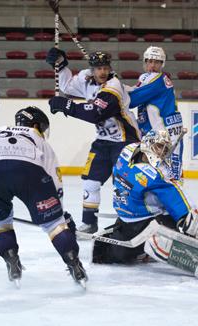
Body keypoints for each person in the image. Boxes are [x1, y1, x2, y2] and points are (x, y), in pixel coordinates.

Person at [0, 106, 87, 287]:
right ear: (35, 124)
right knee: (54, 225)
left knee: (0, 224)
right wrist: (60, 216)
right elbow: (54, 180)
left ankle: (11, 259)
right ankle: (73, 262)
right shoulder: (39, 139)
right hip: (28, 172)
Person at [90, 130, 198, 279]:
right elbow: (174, 196)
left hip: (126, 217)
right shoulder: (157, 172)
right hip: (146, 223)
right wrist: (188, 219)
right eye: (159, 147)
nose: (163, 153)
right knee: (173, 229)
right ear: (148, 144)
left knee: (119, 253)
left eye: (165, 148)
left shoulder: (128, 150)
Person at [46, 49, 140, 234]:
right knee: (91, 182)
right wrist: (62, 64)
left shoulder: (113, 87)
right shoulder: (86, 79)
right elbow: (66, 86)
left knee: (123, 184)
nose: (102, 72)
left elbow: (95, 113)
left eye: (105, 68)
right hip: (103, 141)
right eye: (98, 68)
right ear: (93, 69)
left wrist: (66, 105)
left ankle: (130, 221)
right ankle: (89, 223)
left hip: (125, 141)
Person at [127, 46, 183, 181]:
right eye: (150, 61)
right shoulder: (159, 79)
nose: (152, 65)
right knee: (171, 175)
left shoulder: (154, 79)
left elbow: (131, 100)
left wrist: (112, 89)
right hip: (169, 130)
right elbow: (135, 90)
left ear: (162, 64)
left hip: (163, 135)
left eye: (157, 62)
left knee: (162, 176)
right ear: (145, 62)